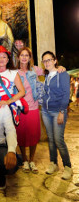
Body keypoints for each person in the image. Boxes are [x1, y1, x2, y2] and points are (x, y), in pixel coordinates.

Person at [41, 51, 72, 180]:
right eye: (44, 61)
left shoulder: (62, 74)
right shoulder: (47, 76)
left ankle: (68, 167)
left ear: (55, 61)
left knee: (59, 140)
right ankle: (53, 163)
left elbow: (66, 94)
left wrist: (62, 111)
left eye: (49, 60)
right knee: (51, 139)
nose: (47, 62)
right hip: (46, 111)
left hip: (58, 112)